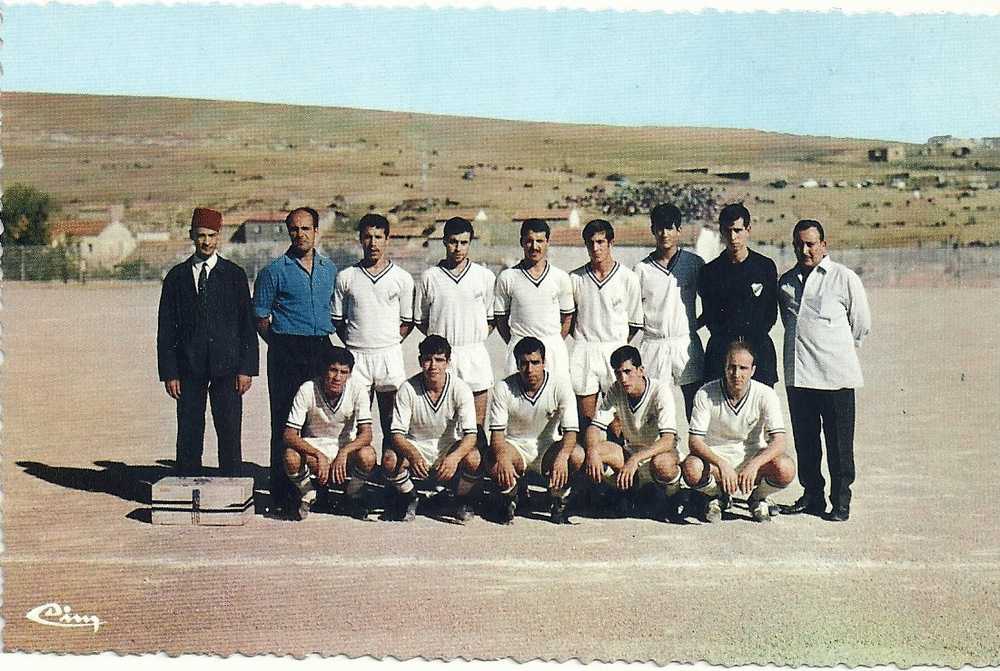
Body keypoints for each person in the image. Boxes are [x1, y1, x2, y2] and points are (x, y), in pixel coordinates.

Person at [778, 220, 871, 522]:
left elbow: (861, 323)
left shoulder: (843, 278)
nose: (805, 250)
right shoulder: (786, 283)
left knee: (839, 445)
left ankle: (841, 502)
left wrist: (834, 349)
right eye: (799, 244)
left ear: (823, 245)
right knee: (806, 442)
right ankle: (812, 496)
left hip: (835, 378)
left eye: (811, 244)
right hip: (799, 376)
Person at [157, 207, 258, 476]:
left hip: (228, 368)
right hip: (189, 368)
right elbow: (166, 329)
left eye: (212, 235)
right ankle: (188, 481)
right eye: (201, 235)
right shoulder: (176, 277)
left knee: (229, 428)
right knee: (189, 429)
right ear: (192, 235)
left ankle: (232, 484)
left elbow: (246, 325)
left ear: (219, 236)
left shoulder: (234, 275)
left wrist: (246, 369)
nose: (206, 241)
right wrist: (170, 373)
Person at [253, 207, 337, 515]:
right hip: (286, 350)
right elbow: (261, 317)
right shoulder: (274, 271)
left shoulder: (330, 269)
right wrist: (280, 345)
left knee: (319, 420)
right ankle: (284, 494)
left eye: (306, 228)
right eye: (294, 229)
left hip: (322, 348)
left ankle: (320, 490)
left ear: (316, 231)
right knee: (286, 420)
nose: (300, 234)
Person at [681, 341, 796, 523]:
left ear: (753, 370)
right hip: (717, 459)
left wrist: (754, 464)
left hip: (751, 457)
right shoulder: (705, 393)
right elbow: (694, 441)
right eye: (732, 367)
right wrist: (722, 464)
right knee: (691, 468)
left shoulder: (765, 394)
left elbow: (779, 441)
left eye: (743, 368)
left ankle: (758, 498)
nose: (736, 374)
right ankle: (717, 495)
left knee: (786, 468)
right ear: (724, 367)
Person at [332, 213, 415, 451]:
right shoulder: (346, 276)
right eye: (368, 237)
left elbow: (407, 322)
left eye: (378, 237)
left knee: (392, 422)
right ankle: (359, 471)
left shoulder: (402, 278)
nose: (373, 243)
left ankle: (390, 470)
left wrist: (387, 342)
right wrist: (356, 341)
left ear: (387, 239)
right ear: (360, 239)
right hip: (356, 356)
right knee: (356, 421)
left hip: (389, 355)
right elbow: (337, 319)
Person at [383, 335, 482, 523]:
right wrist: (412, 454)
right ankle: (410, 496)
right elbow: (396, 434)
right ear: (420, 361)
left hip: (447, 446)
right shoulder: (407, 388)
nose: (433, 366)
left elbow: (471, 434)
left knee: (474, 458)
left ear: (448, 362)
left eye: (439, 360)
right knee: (389, 460)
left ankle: (460, 499)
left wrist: (454, 458)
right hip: (417, 445)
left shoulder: (460, 388)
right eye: (428, 359)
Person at [414, 216, 496, 435]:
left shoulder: (484, 276)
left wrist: (473, 336)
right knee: (446, 425)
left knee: (477, 427)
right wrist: (440, 342)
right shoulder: (429, 277)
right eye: (453, 242)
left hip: (474, 354)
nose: (458, 248)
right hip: (443, 357)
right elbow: (421, 319)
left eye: (463, 242)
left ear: (470, 243)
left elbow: (491, 318)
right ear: (444, 241)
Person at [487, 337, 582, 524]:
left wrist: (562, 457)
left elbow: (571, 432)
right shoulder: (503, 387)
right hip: (515, 446)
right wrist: (503, 458)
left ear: (544, 362)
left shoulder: (560, 385)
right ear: (517, 364)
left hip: (547, 447)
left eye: (535, 362)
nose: (529, 369)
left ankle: (558, 498)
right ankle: (511, 495)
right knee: (493, 455)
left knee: (576, 454)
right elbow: (497, 435)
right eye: (524, 363)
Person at [583, 346, 684, 521]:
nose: (623, 378)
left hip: (656, 456)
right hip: (631, 455)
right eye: (618, 373)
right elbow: (594, 427)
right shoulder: (616, 389)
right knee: (595, 451)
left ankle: (674, 496)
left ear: (640, 370)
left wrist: (635, 459)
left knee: (663, 464)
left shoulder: (660, 390)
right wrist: (592, 451)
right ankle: (624, 492)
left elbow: (668, 440)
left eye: (628, 371)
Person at [283, 347, 377, 521]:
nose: (337, 377)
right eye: (333, 370)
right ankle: (309, 493)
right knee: (291, 456)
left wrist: (344, 452)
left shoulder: (358, 389)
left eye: (343, 372)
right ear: (324, 370)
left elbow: (367, 434)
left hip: (344, 446)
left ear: (349, 374)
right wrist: (318, 454)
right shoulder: (308, 388)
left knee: (368, 455)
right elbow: (289, 434)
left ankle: (351, 495)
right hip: (315, 446)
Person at [569, 219, 643, 429]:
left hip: (615, 349)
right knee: (586, 420)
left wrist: (616, 341)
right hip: (584, 350)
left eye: (600, 242)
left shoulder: (628, 278)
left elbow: (634, 322)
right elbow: (569, 319)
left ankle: (617, 450)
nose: (596, 248)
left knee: (618, 422)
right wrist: (586, 337)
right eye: (591, 243)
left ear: (611, 243)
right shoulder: (575, 278)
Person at [634, 203, 705, 419]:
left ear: (679, 230)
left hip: (685, 342)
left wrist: (692, 326)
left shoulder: (694, 263)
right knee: (653, 407)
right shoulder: (641, 269)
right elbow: (633, 313)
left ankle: (695, 442)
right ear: (652, 230)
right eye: (659, 228)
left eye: (670, 228)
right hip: (653, 344)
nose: (664, 234)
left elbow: (711, 303)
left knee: (695, 404)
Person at [697, 203, 779, 387]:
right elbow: (711, 317)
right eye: (728, 231)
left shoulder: (765, 267)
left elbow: (770, 315)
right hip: (721, 353)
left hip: (758, 352)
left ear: (748, 230)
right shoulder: (709, 272)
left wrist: (748, 345)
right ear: (721, 231)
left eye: (738, 230)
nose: (733, 237)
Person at [493, 218, 574, 379]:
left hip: (553, 350)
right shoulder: (508, 277)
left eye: (540, 241)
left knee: (555, 393)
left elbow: (567, 318)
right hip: (520, 349)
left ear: (548, 242)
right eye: (529, 241)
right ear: (521, 242)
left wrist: (553, 342)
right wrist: (516, 343)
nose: (534, 246)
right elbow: (501, 319)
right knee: (517, 394)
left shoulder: (560, 277)